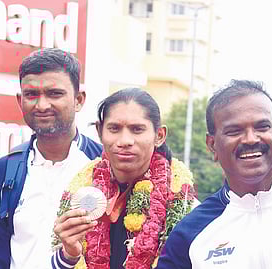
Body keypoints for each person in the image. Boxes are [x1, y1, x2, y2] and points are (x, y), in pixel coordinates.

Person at [156, 80, 272, 269]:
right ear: (212, 145)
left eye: (262, 127)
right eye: (234, 131)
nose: (251, 139)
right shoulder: (189, 234)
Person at [0, 48, 103, 268]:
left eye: (55, 94)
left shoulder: (105, 167)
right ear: (19, 100)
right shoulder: (1, 175)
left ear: (79, 100)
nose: (42, 105)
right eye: (32, 95)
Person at [51, 88, 196, 269]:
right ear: (99, 131)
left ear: (159, 136)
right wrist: (70, 253)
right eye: (114, 128)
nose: (125, 140)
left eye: (137, 129)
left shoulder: (183, 204)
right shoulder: (81, 192)